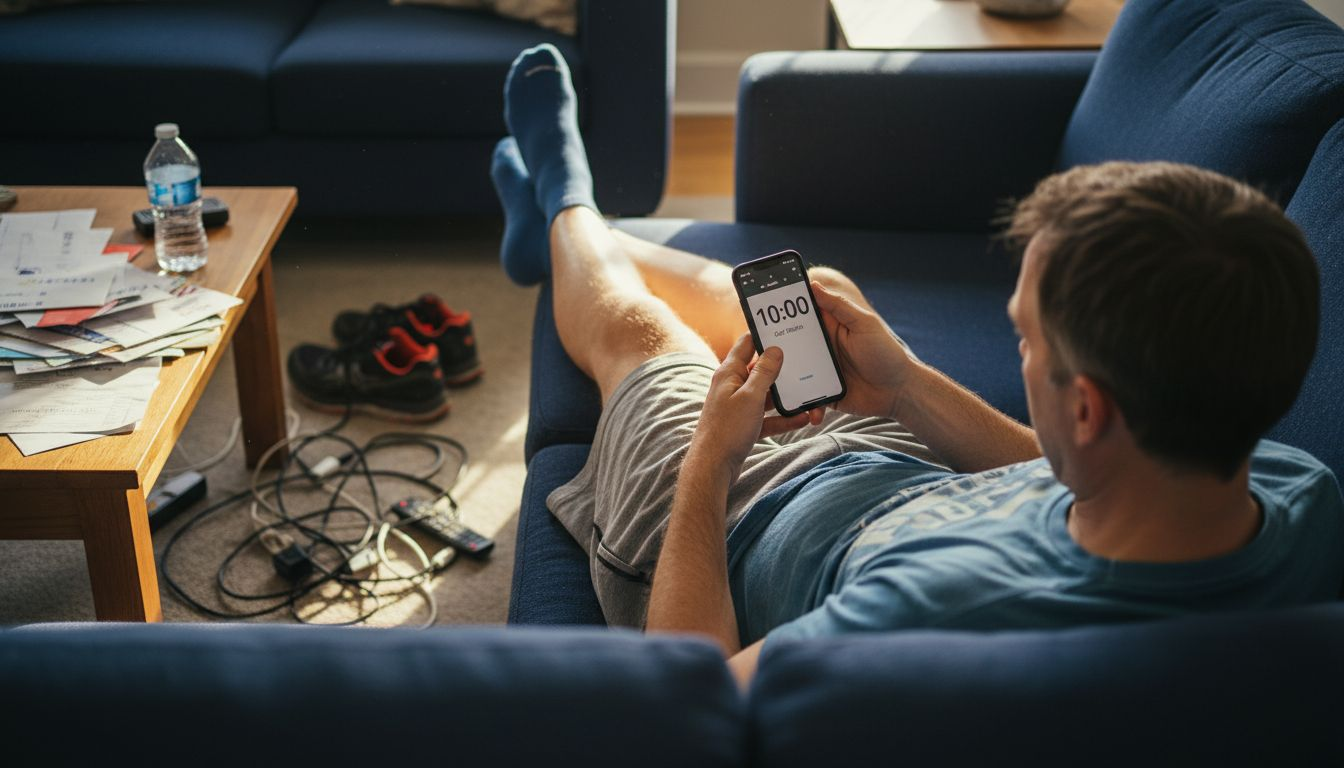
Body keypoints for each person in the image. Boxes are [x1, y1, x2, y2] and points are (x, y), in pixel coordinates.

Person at [492, 44, 1344, 686]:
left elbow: (694, 700)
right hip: (894, 468)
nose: (1018, 344)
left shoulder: (925, 611)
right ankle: (576, 235)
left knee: (649, 338)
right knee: (815, 299)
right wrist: (902, 385)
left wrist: (715, 454)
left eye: (1024, 340)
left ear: (1086, 410)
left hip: (739, 518)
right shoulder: (1295, 490)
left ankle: (568, 204)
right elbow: (1063, 477)